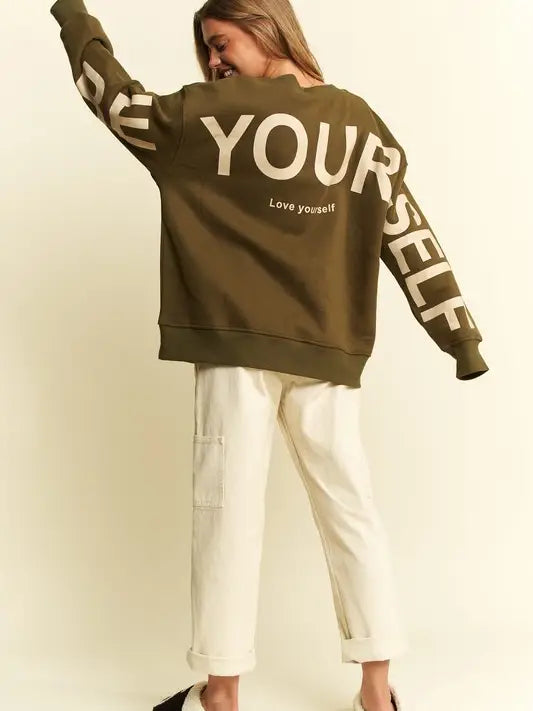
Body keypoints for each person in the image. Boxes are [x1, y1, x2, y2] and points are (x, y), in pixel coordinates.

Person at [50, 1, 489, 710]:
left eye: (221, 43)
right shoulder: (358, 124)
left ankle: (220, 692)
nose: (213, 61)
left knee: (225, 509)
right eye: (206, 50)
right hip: (328, 347)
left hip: (234, 344)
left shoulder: (205, 117)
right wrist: (457, 332)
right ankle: (377, 691)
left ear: (264, 25)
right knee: (350, 508)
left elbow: (117, 101)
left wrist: (73, 16)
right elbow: (408, 235)